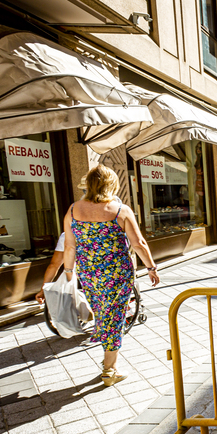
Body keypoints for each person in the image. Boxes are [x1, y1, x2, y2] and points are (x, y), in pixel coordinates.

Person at [64, 165, 160, 386]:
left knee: (103, 313)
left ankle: (108, 360)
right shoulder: (120, 210)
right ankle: (109, 369)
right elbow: (138, 243)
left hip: (89, 274)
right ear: (112, 184)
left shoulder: (72, 211)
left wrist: (69, 273)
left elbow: (70, 247)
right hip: (118, 273)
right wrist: (151, 267)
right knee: (115, 316)